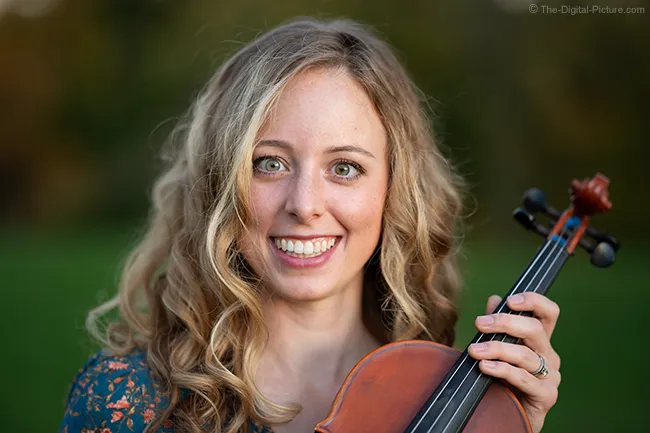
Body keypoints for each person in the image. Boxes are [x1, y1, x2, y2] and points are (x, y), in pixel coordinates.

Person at [59, 17, 562, 433]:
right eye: (269, 163)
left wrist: (513, 420)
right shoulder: (123, 401)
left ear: (394, 190)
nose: (305, 205)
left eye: (344, 168)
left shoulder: (447, 401)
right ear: (221, 181)